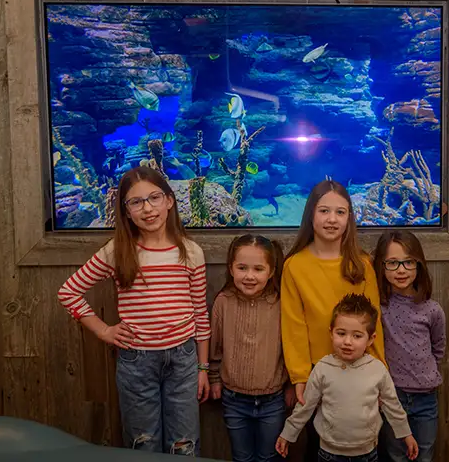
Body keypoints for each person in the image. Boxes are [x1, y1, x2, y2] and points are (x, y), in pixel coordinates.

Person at [57, 166, 210, 455]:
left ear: (169, 201)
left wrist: (203, 367)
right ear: (126, 211)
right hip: (136, 362)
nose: (147, 208)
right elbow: (69, 291)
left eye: (154, 198)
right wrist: (103, 330)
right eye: (136, 202)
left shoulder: (190, 251)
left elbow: (201, 314)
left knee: (184, 443)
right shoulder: (117, 251)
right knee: (143, 443)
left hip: (184, 360)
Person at [281, 180, 386, 460]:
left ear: (350, 217)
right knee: (320, 445)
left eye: (340, 212)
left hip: (361, 371)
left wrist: (380, 372)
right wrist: (300, 376)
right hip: (318, 374)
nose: (332, 219)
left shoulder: (361, 265)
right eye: (324, 211)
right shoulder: (294, 266)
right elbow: (293, 326)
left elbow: (374, 324)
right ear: (310, 215)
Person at [275, 294, 418, 462]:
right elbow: (305, 406)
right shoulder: (323, 368)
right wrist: (288, 434)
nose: (347, 342)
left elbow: (392, 405)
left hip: (367, 453)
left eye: (357, 336)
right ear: (331, 333)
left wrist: (406, 434)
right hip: (329, 453)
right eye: (341, 333)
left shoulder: (377, 370)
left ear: (371, 339)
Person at [209, 234, 295, 462]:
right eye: (242, 268)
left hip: (273, 400)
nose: (249, 276)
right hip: (234, 399)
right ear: (231, 268)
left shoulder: (281, 303)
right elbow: (215, 348)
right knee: (242, 457)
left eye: (258, 269)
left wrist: (291, 386)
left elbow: (290, 349)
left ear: (271, 271)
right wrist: (215, 379)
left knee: (269, 457)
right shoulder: (223, 302)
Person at [373, 230, 446, 462]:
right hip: (392, 396)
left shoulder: (432, 309)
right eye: (392, 263)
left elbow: (439, 348)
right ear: (382, 267)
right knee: (396, 455)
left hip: (426, 398)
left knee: (425, 454)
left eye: (408, 262)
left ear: (419, 264)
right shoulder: (379, 308)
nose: (401, 270)